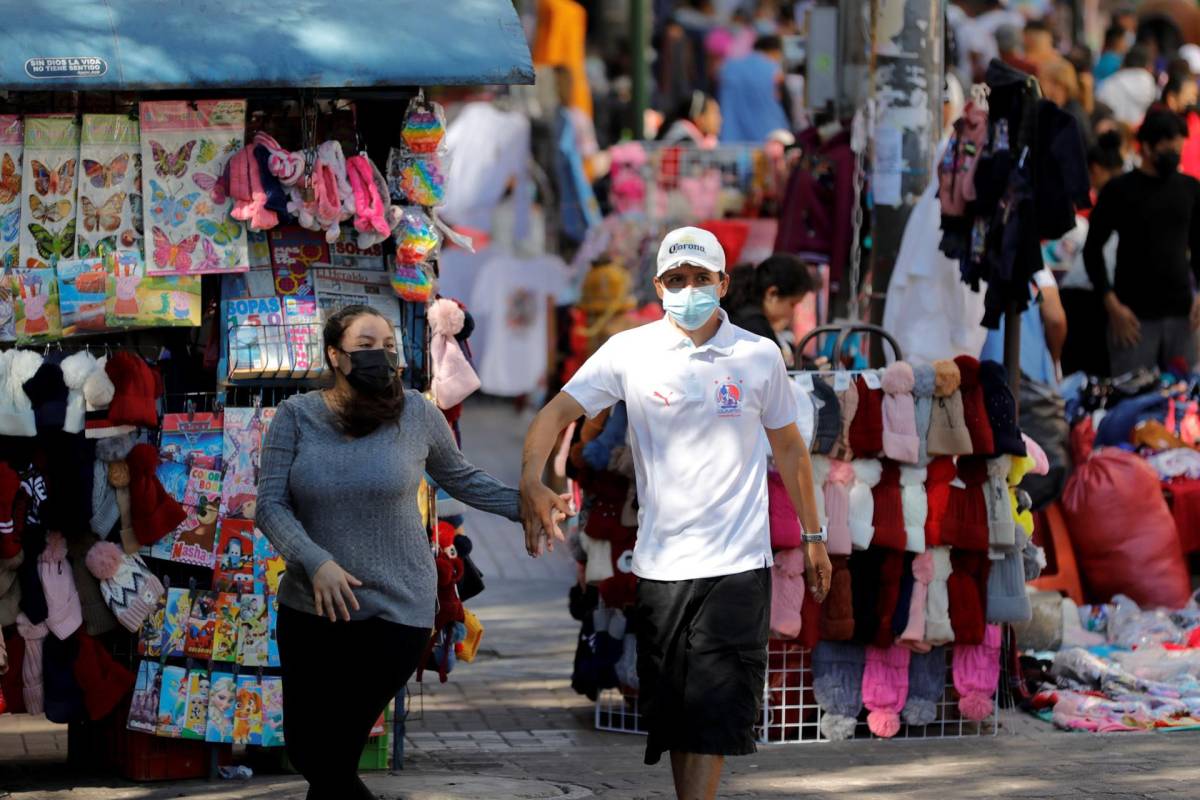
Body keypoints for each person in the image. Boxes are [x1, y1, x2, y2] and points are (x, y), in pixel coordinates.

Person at [519, 227, 831, 800]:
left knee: (716, 709)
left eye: (700, 280)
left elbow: (789, 448)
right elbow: (554, 413)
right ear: (660, 286)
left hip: (738, 563)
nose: (689, 291)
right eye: (677, 280)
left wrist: (814, 536)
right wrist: (531, 480)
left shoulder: (758, 356)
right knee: (679, 712)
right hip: (661, 564)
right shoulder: (629, 352)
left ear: (723, 283)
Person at [257, 305, 521, 800]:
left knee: (330, 756)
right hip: (311, 609)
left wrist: (526, 506)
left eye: (389, 347)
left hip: (396, 608)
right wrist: (317, 562)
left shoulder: (418, 413)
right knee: (310, 751)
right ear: (336, 355)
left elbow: (461, 478)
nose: (381, 357)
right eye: (366, 346)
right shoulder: (296, 417)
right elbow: (270, 507)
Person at [1083, 109, 1200, 376]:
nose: (1174, 154)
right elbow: (1092, 249)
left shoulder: (1190, 189)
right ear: (1146, 147)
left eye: (1178, 148)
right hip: (1133, 319)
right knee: (1131, 403)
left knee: (1185, 404)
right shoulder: (1119, 191)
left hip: (1182, 316)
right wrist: (1111, 304)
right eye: (1167, 148)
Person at [722, 253, 815, 365]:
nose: (792, 312)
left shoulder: (738, 312)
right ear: (772, 293)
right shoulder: (754, 327)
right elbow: (777, 371)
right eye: (792, 304)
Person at [717, 34, 792, 142]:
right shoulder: (774, 70)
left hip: (730, 139)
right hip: (769, 139)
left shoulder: (729, 67)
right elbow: (786, 103)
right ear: (775, 52)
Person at [1096, 44, 1158, 126]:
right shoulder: (1153, 86)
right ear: (1148, 65)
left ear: (1124, 62)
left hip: (1114, 135)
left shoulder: (1108, 84)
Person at [657, 90, 722, 147]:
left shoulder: (703, 142)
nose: (720, 119)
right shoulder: (684, 141)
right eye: (714, 113)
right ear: (698, 118)